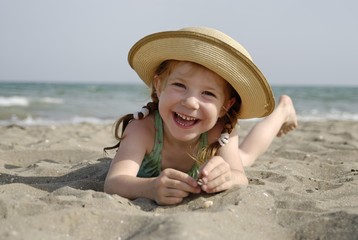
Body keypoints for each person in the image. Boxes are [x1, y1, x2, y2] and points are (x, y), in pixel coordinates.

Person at [104, 27, 297, 205]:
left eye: (208, 93)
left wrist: (228, 176)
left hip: (213, 147)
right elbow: (114, 183)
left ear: (224, 107)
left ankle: (282, 110)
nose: (190, 102)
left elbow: (241, 177)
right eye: (180, 85)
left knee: (245, 157)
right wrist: (150, 188)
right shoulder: (142, 129)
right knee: (243, 156)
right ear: (159, 86)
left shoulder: (219, 131)